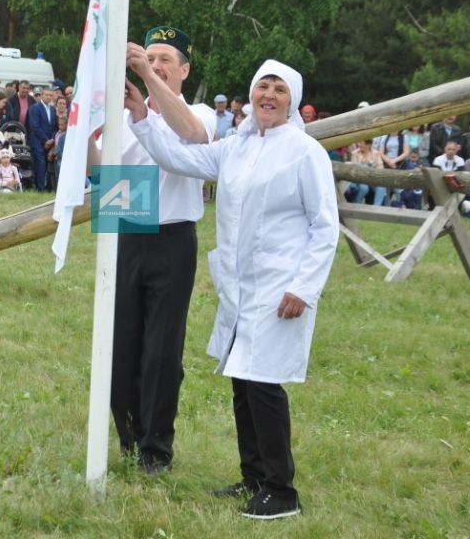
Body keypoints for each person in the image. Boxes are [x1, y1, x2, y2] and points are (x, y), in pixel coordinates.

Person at [125, 57, 339, 520]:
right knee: (243, 381)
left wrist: (304, 287)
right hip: (241, 287)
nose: (269, 96)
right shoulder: (235, 148)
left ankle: (282, 490)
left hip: (281, 287)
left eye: (280, 90)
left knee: (264, 383)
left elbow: (325, 227)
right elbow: (179, 156)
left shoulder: (306, 154)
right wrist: (142, 118)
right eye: (263, 87)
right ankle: (255, 476)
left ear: (293, 102)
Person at [87, 26, 217, 476]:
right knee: (119, 345)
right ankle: (130, 437)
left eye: (166, 59)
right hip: (125, 230)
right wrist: (85, 133)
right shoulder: (124, 114)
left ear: (184, 69)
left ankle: (156, 448)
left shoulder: (197, 110)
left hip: (172, 238)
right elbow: (101, 172)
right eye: (150, 57)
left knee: (162, 350)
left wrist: (145, 77)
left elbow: (195, 135)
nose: (156, 64)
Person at [27, 86, 57, 190]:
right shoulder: (34, 108)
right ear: (42, 95)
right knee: (40, 165)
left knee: (48, 167)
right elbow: (35, 126)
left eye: (51, 95)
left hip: (50, 142)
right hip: (38, 142)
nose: (49, 97)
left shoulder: (53, 109)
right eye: (46, 95)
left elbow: (55, 127)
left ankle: (48, 187)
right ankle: (40, 189)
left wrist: (52, 139)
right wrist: (46, 140)